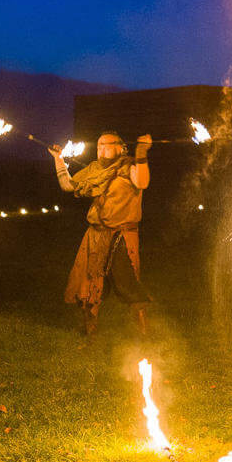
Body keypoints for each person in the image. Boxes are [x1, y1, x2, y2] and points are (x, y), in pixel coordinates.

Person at [51, 131, 153, 336]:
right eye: (99, 145)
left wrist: (141, 152)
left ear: (120, 147)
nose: (101, 148)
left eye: (106, 144)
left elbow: (142, 183)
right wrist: (58, 159)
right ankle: (90, 330)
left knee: (127, 282)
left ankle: (143, 331)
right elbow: (68, 185)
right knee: (89, 284)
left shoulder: (129, 166)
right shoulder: (94, 169)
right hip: (96, 234)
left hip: (122, 235)